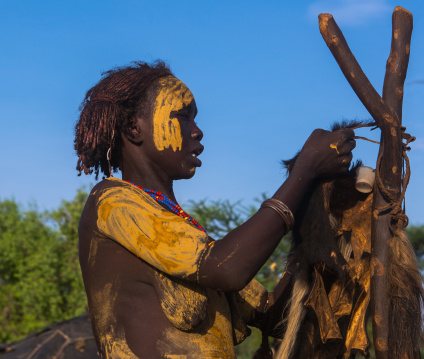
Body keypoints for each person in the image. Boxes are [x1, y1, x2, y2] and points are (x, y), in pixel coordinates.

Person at [75, 61, 355, 358]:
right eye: (183, 117)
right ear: (134, 127)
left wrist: (315, 203)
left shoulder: (181, 231)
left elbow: (273, 316)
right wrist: (303, 172)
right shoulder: (111, 203)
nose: (198, 132)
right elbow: (227, 268)